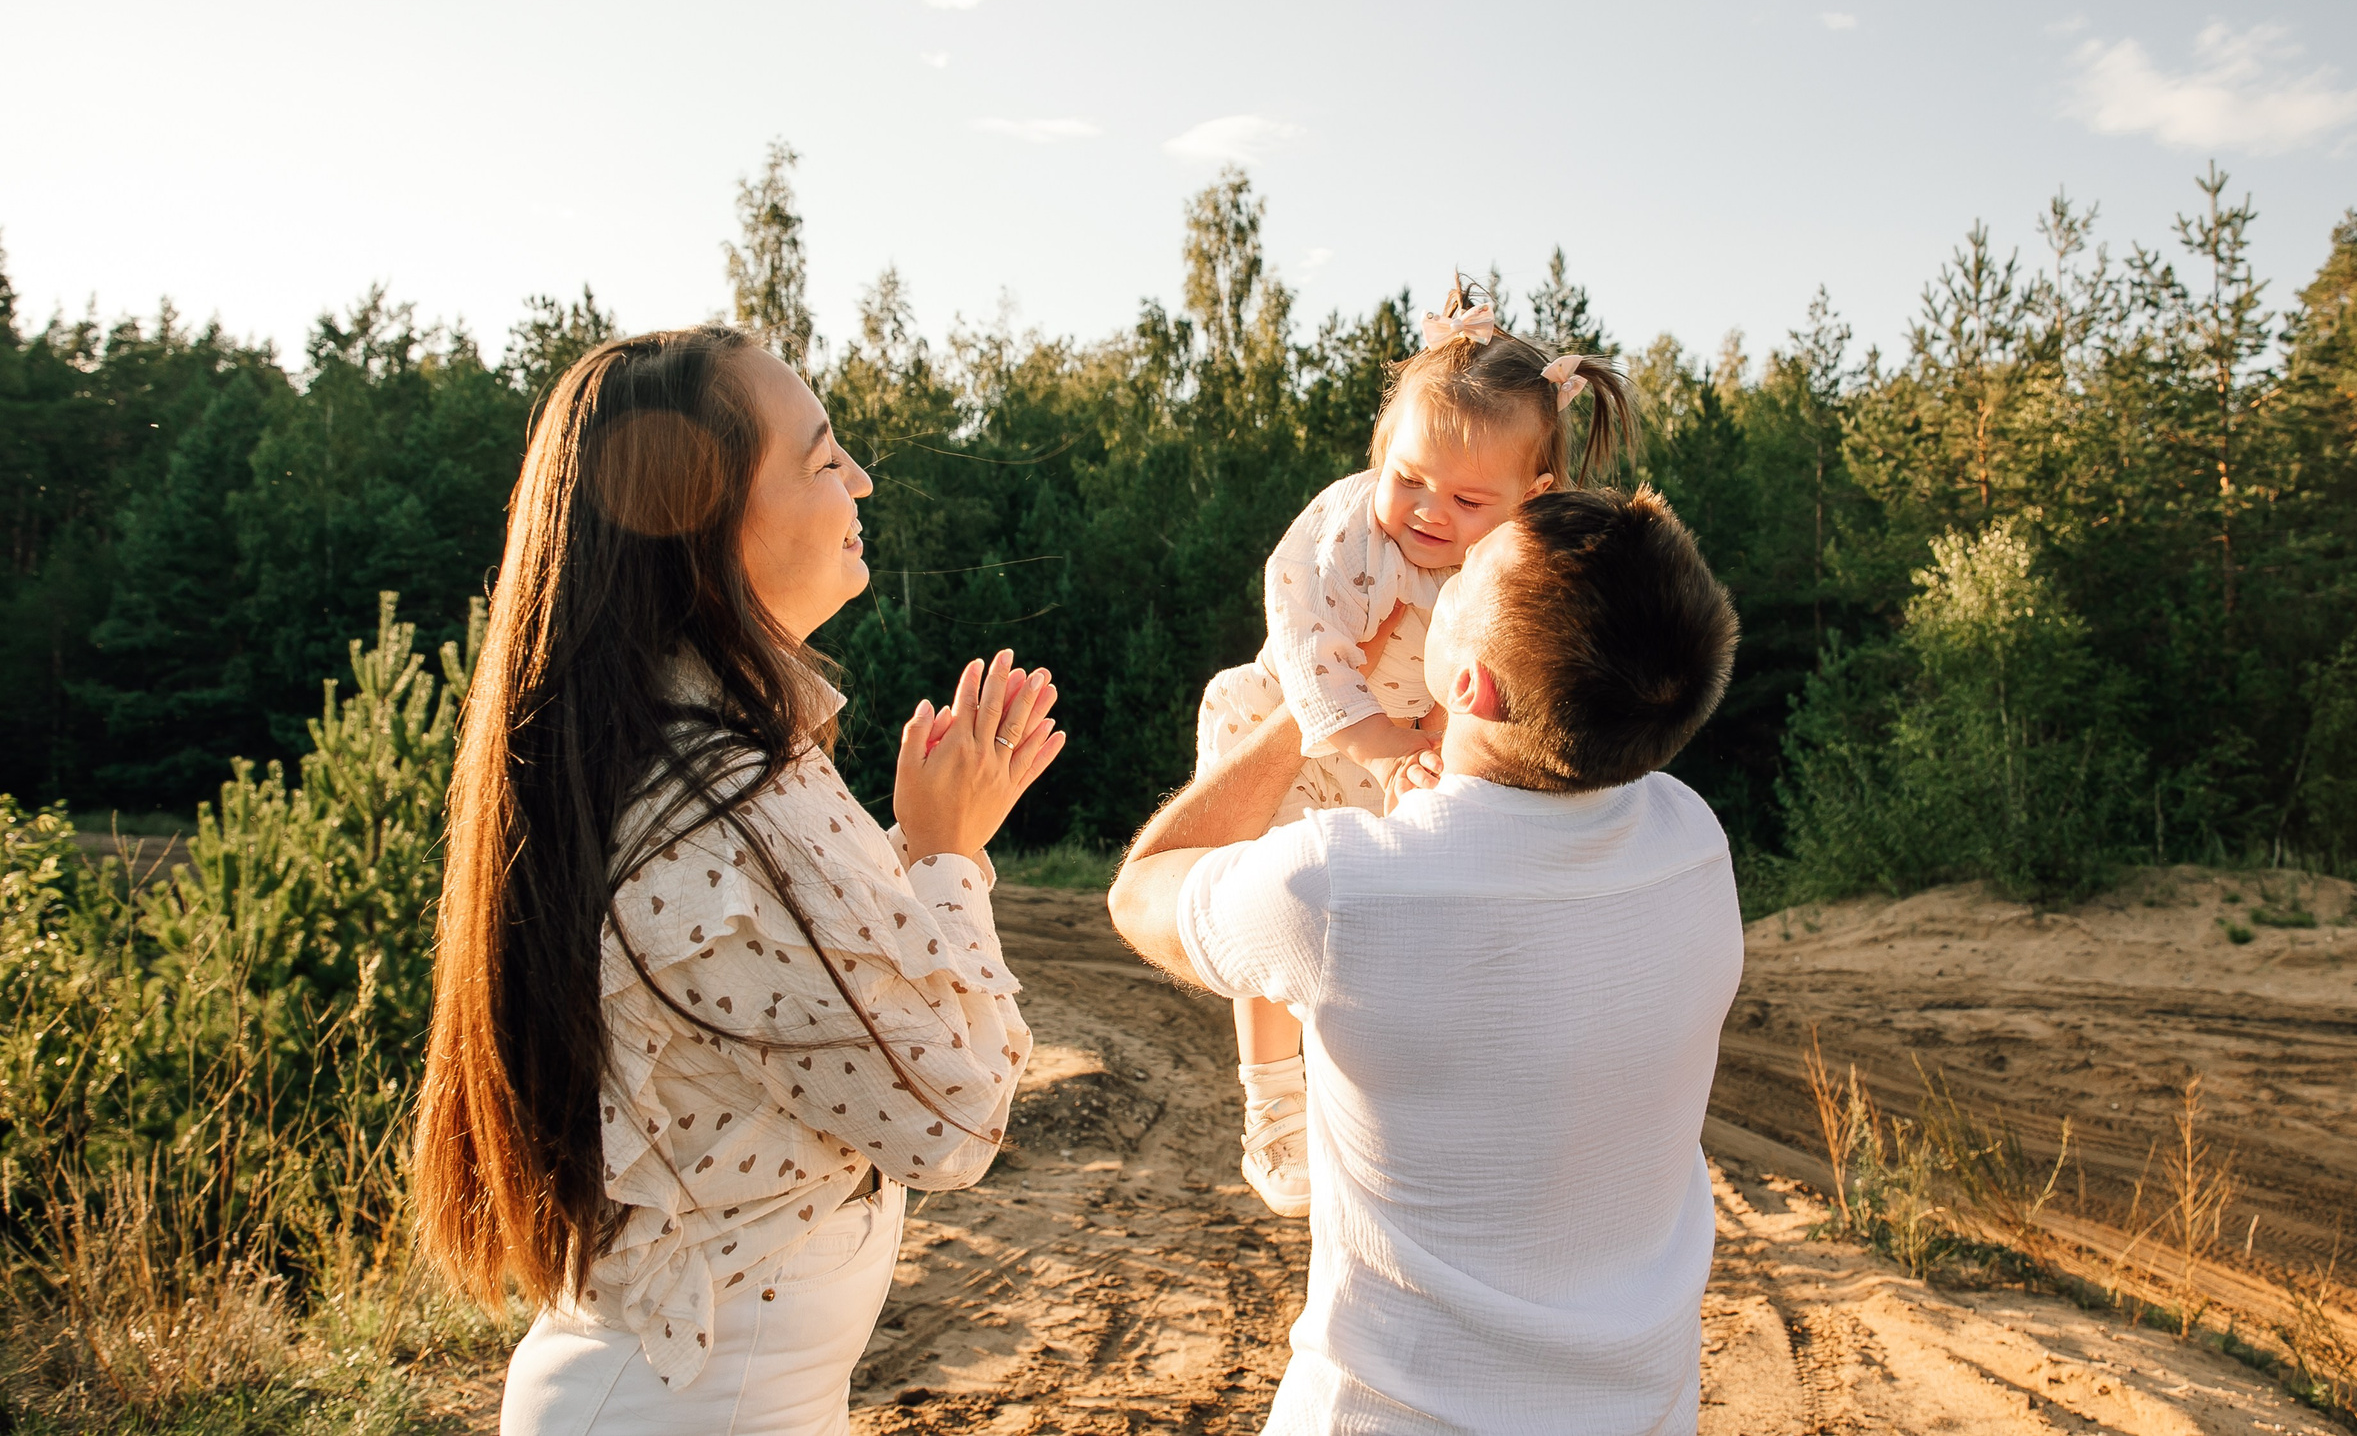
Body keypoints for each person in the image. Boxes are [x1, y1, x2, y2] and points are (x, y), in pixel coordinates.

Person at [414, 327, 1066, 1435]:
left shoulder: (708, 762)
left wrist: (917, 851)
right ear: (705, 527)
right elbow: (953, 1117)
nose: (859, 478)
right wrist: (951, 857)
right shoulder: (722, 815)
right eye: (822, 458)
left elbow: (824, 1015)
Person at [1111, 485, 1743, 1434]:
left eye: (1459, 586)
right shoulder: (1695, 843)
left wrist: (1308, 701)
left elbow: (1143, 888)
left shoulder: (1349, 889)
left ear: (1471, 687)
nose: (1436, 581)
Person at [1196, 279, 1637, 1216]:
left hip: (1425, 764)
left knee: (1415, 940)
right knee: (1269, 901)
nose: (1431, 511)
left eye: (1471, 497)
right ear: (1379, 455)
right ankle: (1272, 1105)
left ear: (1536, 496)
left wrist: (1439, 743)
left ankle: (1414, 1111)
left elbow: (1534, 678)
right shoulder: (1348, 529)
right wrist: (1382, 745)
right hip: (1315, 731)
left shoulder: (1521, 565)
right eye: (1410, 478)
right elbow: (1303, 641)